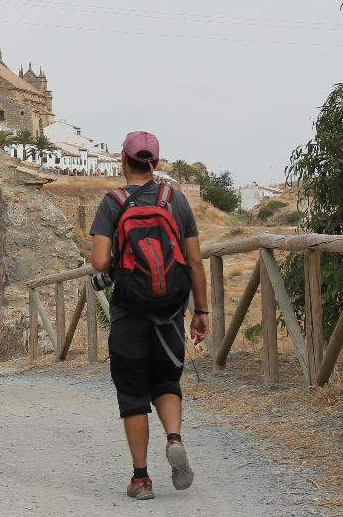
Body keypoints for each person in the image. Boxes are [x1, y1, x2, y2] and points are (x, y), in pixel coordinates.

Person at [89, 130, 209, 501]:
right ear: (154, 163)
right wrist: (201, 310)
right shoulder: (175, 199)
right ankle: (173, 438)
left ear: (123, 160)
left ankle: (141, 479)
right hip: (169, 310)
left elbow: (99, 261)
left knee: (132, 394)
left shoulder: (113, 202)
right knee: (167, 382)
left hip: (129, 311)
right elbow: (194, 261)